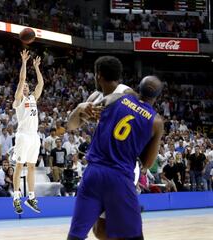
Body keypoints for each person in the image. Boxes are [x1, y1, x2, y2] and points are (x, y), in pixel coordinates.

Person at [67, 76, 164, 240]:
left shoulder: (116, 98)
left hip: (93, 172)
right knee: (133, 235)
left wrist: (83, 109)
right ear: (158, 96)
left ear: (138, 88)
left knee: (77, 235)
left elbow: (84, 119)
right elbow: (147, 163)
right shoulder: (156, 121)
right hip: (120, 176)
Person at [67, 56, 138, 239]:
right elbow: (71, 125)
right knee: (100, 230)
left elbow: (132, 113)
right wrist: (80, 108)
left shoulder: (128, 93)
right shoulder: (95, 97)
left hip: (121, 166)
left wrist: (106, 109)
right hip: (101, 165)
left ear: (97, 75)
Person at [11, 50, 43, 214]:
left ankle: (31, 197)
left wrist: (37, 67)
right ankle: (16, 198)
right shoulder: (19, 99)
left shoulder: (32, 98)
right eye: (22, 87)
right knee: (19, 165)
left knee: (31, 167)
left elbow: (40, 85)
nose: (24, 87)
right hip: (23, 135)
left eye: (26, 87)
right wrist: (24, 62)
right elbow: (22, 79)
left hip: (34, 136)